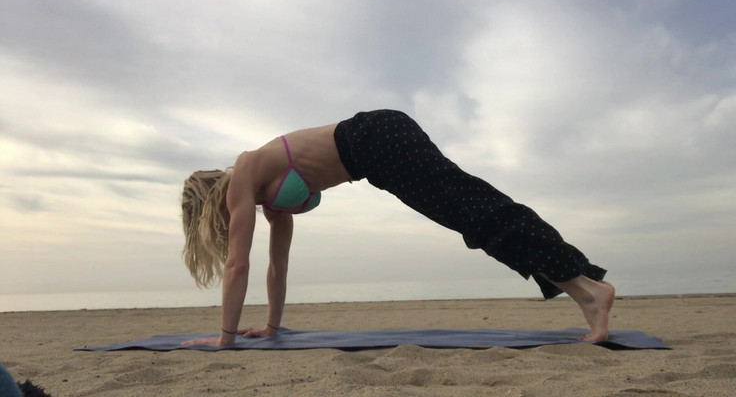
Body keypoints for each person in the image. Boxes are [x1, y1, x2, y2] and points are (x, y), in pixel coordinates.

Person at [180, 109, 614, 347]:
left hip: (377, 138)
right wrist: (272, 327)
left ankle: (587, 285)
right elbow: (277, 266)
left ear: (205, 205)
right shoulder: (264, 196)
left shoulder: (243, 174)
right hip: (378, 156)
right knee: (472, 217)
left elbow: (238, 265)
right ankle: (584, 289)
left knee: (474, 210)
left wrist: (224, 338)